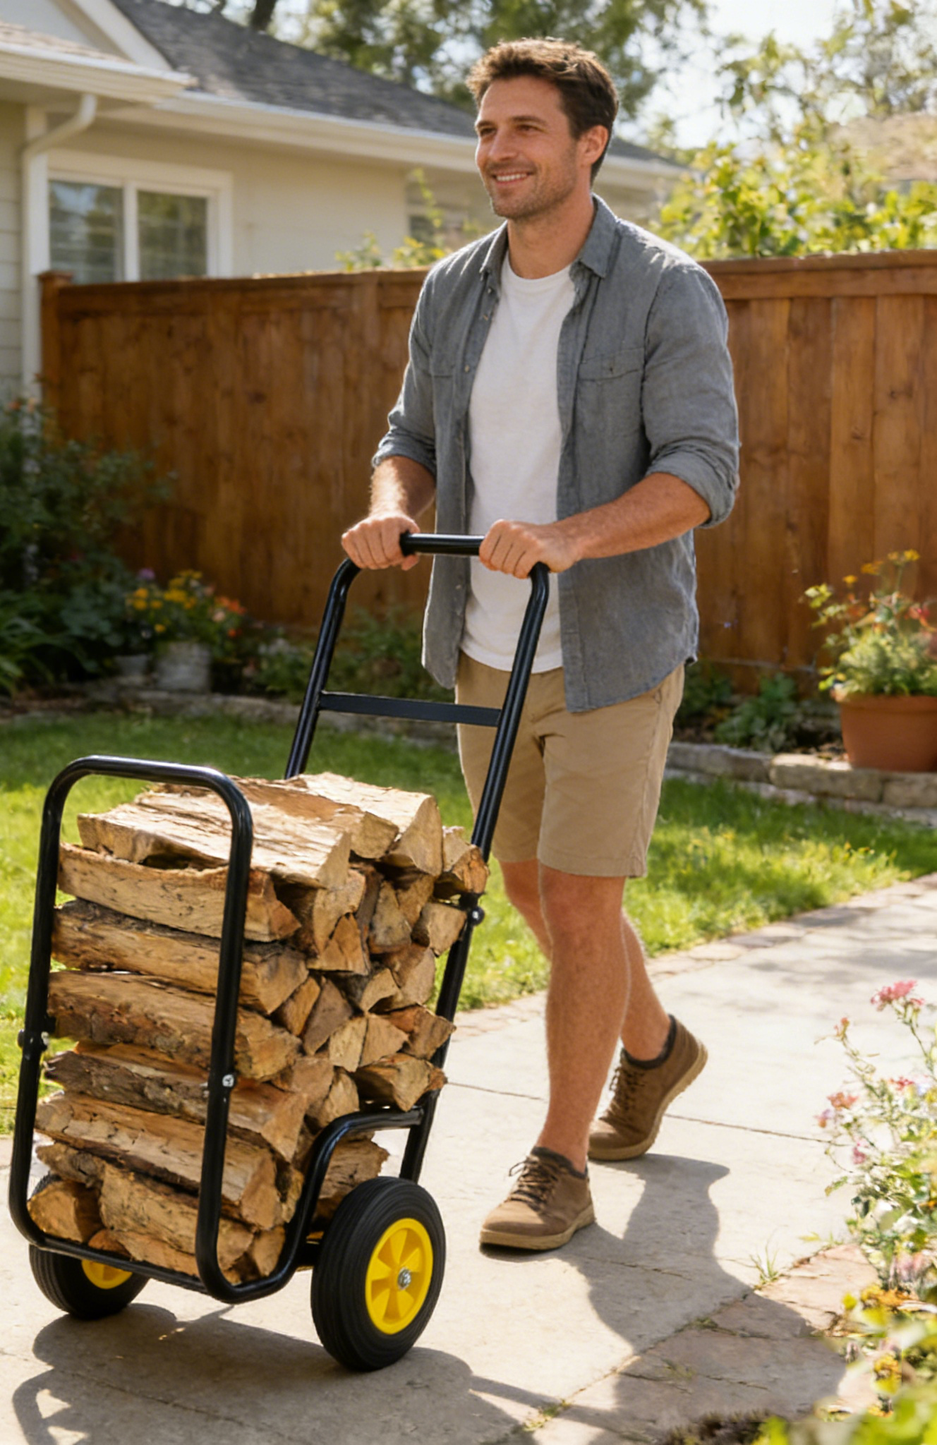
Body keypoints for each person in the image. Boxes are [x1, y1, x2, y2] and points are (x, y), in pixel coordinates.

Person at [341, 38, 739, 1252]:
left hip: (610, 646)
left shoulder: (663, 288)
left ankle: (557, 1163)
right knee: (521, 883)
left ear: (587, 145)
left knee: (576, 899)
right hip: (483, 640)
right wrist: (392, 505)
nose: (496, 151)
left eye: (523, 128)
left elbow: (701, 470)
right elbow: (409, 433)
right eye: (484, 129)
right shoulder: (451, 288)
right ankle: (655, 1047)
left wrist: (571, 535)